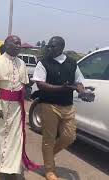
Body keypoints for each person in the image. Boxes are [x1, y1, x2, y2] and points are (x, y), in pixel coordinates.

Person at [32, 36, 94, 180]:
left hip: (68, 106)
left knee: (69, 136)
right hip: (49, 105)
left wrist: (82, 92)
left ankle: (49, 154)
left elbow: (78, 82)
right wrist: (61, 88)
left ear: (61, 47)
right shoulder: (43, 62)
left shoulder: (72, 63)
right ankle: (49, 170)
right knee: (49, 138)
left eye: (53, 46)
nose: (49, 48)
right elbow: (40, 84)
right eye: (48, 46)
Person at [0, 36, 40, 175]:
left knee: (14, 137)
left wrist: (26, 94)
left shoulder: (22, 63)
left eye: (20, 43)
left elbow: (23, 85)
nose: (19, 46)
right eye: (16, 43)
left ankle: (11, 168)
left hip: (15, 108)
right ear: (7, 45)